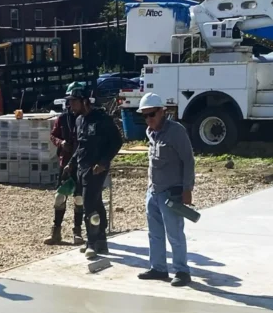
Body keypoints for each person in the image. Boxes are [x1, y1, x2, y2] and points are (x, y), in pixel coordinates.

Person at [135, 93, 197, 287]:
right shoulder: (150, 132)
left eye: (151, 114)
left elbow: (188, 160)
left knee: (175, 234)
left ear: (163, 112)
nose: (148, 119)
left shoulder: (176, 132)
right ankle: (159, 268)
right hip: (153, 191)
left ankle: (181, 271)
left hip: (171, 191)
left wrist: (187, 189)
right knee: (155, 233)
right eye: (144, 116)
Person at [64, 85, 123, 259]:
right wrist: (71, 163)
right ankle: (102, 240)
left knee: (88, 205)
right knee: (95, 203)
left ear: (84, 101)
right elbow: (80, 145)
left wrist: (104, 162)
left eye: (74, 102)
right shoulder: (79, 120)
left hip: (97, 169)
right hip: (82, 167)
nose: (71, 106)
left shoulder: (102, 119)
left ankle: (91, 242)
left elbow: (117, 142)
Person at [44, 82, 85, 246]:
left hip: (81, 164)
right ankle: (56, 232)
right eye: (70, 100)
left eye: (75, 100)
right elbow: (53, 135)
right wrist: (61, 143)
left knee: (79, 198)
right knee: (60, 197)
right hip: (66, 162)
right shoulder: (62, 118)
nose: (72, 104)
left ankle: (77, 231)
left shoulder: (86, 119)